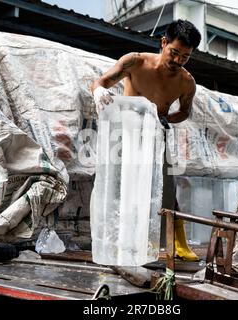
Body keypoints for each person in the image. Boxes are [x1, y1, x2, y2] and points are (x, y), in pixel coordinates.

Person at [91, 19, 201, 261]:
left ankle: (177, 243)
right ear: (163, 43)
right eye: (174, 52)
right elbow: (100, 83)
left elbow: (185, 112)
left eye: (185, 56)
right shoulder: (135, 61)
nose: (177, 60)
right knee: (123, 186)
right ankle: (119, 241)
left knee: (166, 188)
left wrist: (163, 119)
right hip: (126, 133)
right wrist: (99, 91)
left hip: (155, 135)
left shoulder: (186, 82)